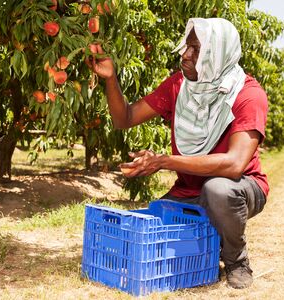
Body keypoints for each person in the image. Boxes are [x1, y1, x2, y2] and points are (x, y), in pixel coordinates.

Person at [87, 17, 268, 289]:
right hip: (190, 189)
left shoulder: (247, 94)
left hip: (241, 188)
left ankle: (236, 259)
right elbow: (124, 118)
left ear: (217, 54)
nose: (185, 54)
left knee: (217, 191)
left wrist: (164, 161)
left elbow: (234, 165)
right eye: (187, 45)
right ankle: (212, 241)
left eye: (196, 49)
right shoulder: (178, 86)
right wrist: (111, 78)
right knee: (158, 227)